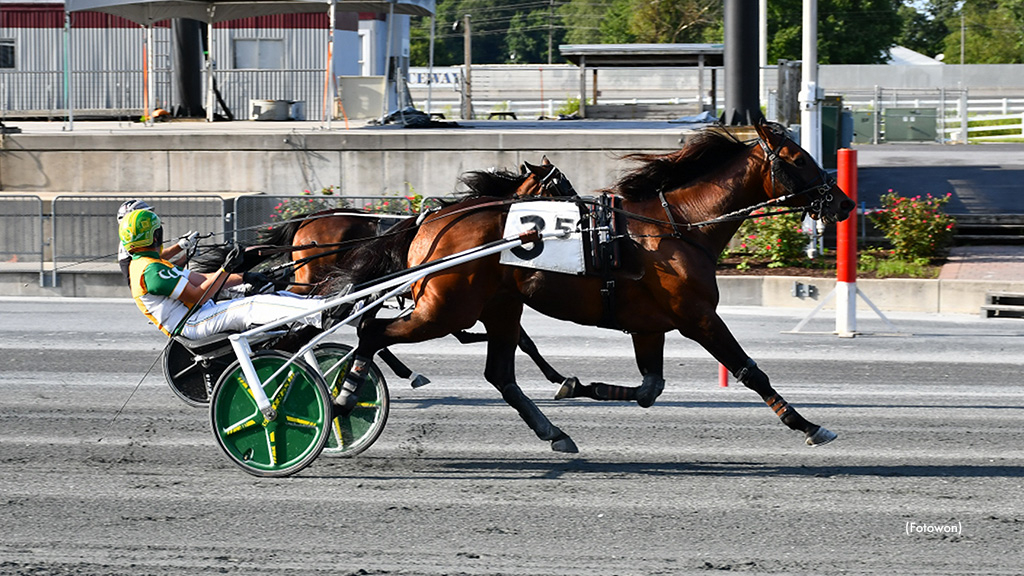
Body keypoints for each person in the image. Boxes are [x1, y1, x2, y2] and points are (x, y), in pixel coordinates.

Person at [119, 208, 337, 340]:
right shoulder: (151, 271)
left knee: (266, 297)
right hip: (192, 323)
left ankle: (323, 303)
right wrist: (226, 269)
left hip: (201, 314)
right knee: (252, 307)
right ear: (156, 236)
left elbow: (202, 279)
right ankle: (322, 312)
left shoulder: (150, 264)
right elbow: (197, 296)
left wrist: (245, 277)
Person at [116, 199, 199, 285]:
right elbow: (156, 258)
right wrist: (181, 246)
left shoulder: (133, 238)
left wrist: (184, 254)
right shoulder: (131, 240)